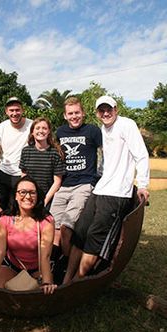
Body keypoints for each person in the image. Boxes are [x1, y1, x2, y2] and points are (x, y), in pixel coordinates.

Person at [63, 95, 150, 283]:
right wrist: (97, 177)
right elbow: (106, 159)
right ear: (96, 113)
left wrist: (142, 184)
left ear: (116, 109)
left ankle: (77, 284)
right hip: (100, 189)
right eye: (101, 110)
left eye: (109, 109)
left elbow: (141, 155)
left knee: (95, 239)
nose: (106, 113)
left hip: (116, 194)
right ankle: (66, 280)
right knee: (80, 232)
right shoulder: (103, 129)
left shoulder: (126, 125)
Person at [0, 176, 57, 295]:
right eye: (23, 192)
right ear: (16, 196)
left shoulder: (46, 221)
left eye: (32, 193)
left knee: (42, 295)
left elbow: (45, 257)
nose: (28, 197)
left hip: (37, 268)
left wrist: (46, 283)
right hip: (12, 266)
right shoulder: (5, 220)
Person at [50, 97, 102, 259]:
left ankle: (68, 264)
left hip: (84, 184)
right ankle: (54, 261)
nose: (74, 116)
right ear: (65, 116)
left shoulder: (93, 131)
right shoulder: (60, 132)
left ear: (83, 113)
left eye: (77, 113)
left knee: (66, 227)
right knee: (52, 227)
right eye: (70, 113)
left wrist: (101, 175)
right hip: (64, 185)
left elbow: (107, 151)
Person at [0, 97, 33, 210]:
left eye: (17, 110)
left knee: (17, 208)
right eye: (11, 110)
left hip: (22, 173)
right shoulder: (1, 128)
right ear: (6, 111)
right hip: (3, 171)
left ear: (22, 110)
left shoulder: (32, 126)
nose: (15, 113)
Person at [19, 117, 65, 210]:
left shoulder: (55, 153)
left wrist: (45, 201)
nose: (41, 131)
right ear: (32, 132)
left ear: (48, 132)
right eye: (38, 128)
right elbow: (24, 176)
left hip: (47, 198)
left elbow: (57, 182)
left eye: (44, 128)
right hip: (29, 197)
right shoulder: (26, 151)